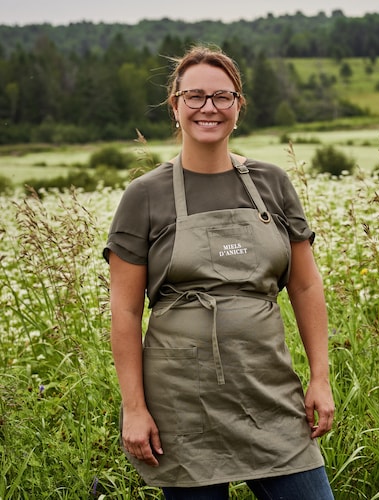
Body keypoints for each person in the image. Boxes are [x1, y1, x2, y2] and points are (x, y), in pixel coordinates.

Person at [104, 44, 335, 500]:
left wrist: (320, 379)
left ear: (238, 107)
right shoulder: (143, 196)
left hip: (268, 394)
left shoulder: (273, 184)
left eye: (221, 97)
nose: (208, 108)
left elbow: (305, 285)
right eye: (195, 97)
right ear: (175, 106)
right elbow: (125, 311)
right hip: (182, 407)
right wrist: (134, 409)